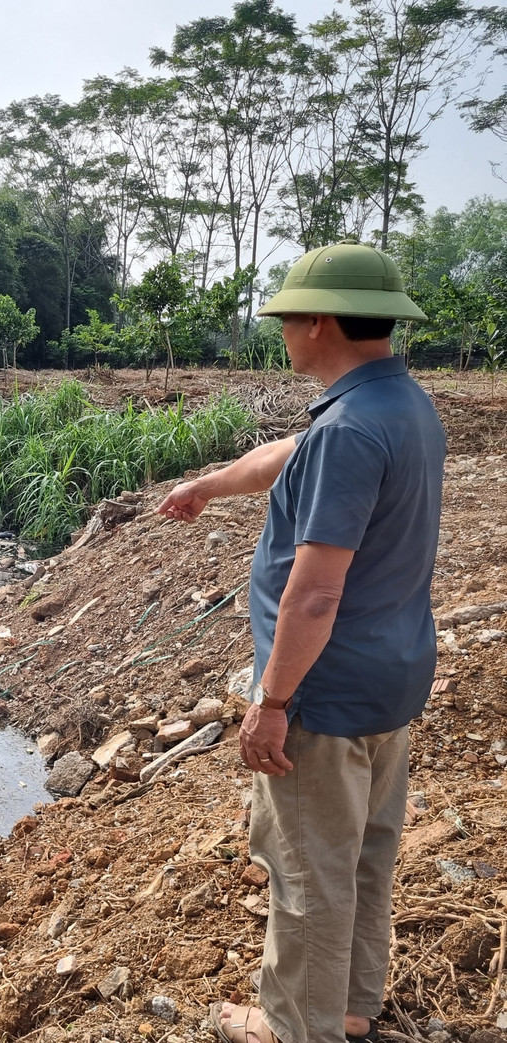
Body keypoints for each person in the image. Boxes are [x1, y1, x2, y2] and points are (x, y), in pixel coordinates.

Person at [154, 242, 445, 1043]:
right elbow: (290, 455)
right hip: (391, 680)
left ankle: (299, 1027)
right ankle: (351, 1003)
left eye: (286, 318)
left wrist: (272, 702)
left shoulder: (351, 431)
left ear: (318, 321)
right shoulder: (399, 407)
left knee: (309, 872)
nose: (282, 332)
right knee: (364, 853)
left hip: (326, 690)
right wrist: (209, 484)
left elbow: (315, 593)